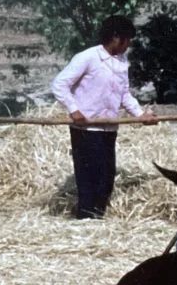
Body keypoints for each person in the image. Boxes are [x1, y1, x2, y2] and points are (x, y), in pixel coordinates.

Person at [50, 15, 156, 219]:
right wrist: (74, 110)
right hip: (87, 129)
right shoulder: (88, 57)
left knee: (106, 179)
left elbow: (124, 94)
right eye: (127, 39)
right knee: (91, 179)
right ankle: (86, 221)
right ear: (116, 37)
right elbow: (59, 84)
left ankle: (97, 219)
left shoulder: (122, 62)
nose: (128, 45)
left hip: (109, 128)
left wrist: (140, 115)